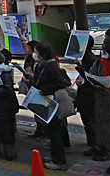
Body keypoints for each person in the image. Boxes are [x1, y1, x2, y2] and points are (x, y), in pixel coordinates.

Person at [88, 36, 110, 175]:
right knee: (107, 135)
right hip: (103, 105)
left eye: (106, 48)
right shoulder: (99, 62)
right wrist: (94, 81)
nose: (103, 50)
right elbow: (92, 74)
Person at [33, 41, 68, 170]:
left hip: (51, 102)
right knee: (51, 132)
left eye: (36, 52)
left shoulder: (51, 65)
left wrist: (44, 89)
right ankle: (55, 157)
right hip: (45, 101)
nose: (35, 54)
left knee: (55, 132)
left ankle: (59, 161)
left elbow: (59, 83)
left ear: (42, 54)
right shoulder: (42, 65)